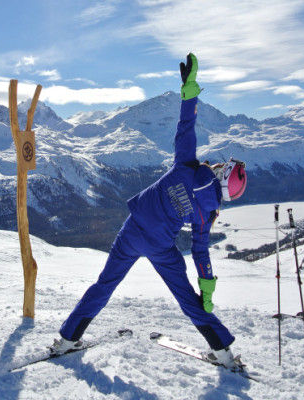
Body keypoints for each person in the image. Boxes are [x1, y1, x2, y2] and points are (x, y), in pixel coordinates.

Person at [50, 53, 247, 368]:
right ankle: (222, 352)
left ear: (221, 172)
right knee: (188, 301)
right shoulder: (205, 215)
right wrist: (207, 287)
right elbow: (200, 252)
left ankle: (67, 340)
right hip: (161, 246)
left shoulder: (187, 167)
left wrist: (190, 90)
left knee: (105, 285)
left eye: (224, 166)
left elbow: (186, 127)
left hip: (132, 230)